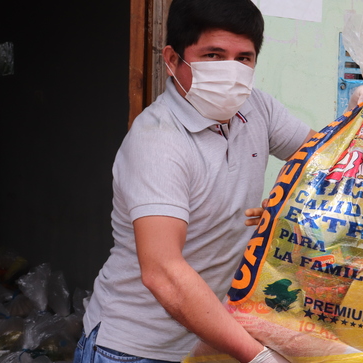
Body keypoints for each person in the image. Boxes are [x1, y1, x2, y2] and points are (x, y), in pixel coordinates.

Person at [72, 1, 317, 362]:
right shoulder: (157, 140)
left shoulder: (257, 109)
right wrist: (258, 356)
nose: (230, 72)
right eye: (213, 55)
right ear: (172, 60)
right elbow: (163, 272)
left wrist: (360, 125)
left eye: (243, 58)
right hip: (136, 349)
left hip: (212, 343)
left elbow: (325, 162)